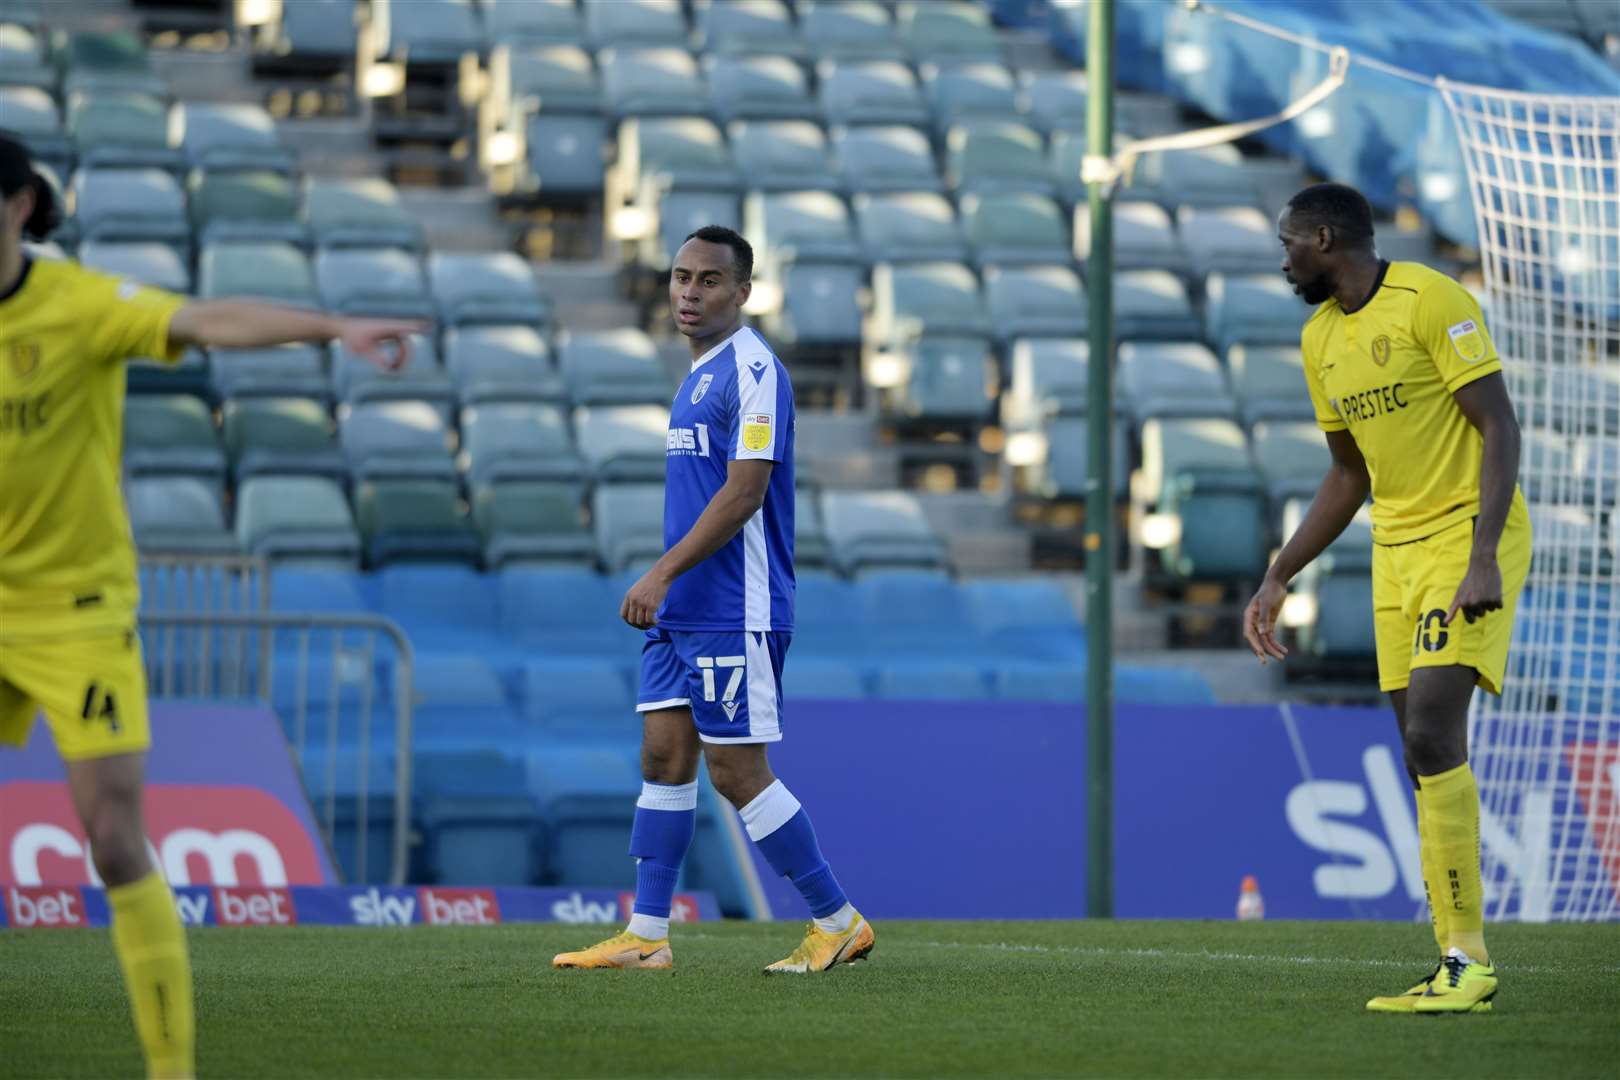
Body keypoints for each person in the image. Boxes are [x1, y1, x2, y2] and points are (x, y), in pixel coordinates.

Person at [0, 132, 420, 1077]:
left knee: (112, 840)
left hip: (74, 608)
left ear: (21, 205)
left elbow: (210, 320)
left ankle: (170, 1069)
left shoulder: (76, 307)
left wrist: (331, 329)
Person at [553, 226, 873, 974]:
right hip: (683, 611)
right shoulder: (698, 373)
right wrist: (670, 586)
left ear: (742, 292)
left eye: (707, 281)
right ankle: (647, 934)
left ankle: (837, 920)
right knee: (664, 756)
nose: (689, 294)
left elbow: (744, 492)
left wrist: (659, 573)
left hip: (735, 604)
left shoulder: (755, 370)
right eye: (680, 278)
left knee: (734, 770)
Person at [1243, 183, 1530, 1014]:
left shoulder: (1431, 300)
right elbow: (1348, 474)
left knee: (1437, 728)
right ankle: (1451, 957)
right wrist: (1278, 573)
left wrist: (1483, 555)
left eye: (1289, 242)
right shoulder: (1319, 339)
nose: (1283, 257)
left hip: (1466, 538)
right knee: (1416, 744)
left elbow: (1499, 426)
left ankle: (1468, 959)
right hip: (1395, 549)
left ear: (1324, 239)